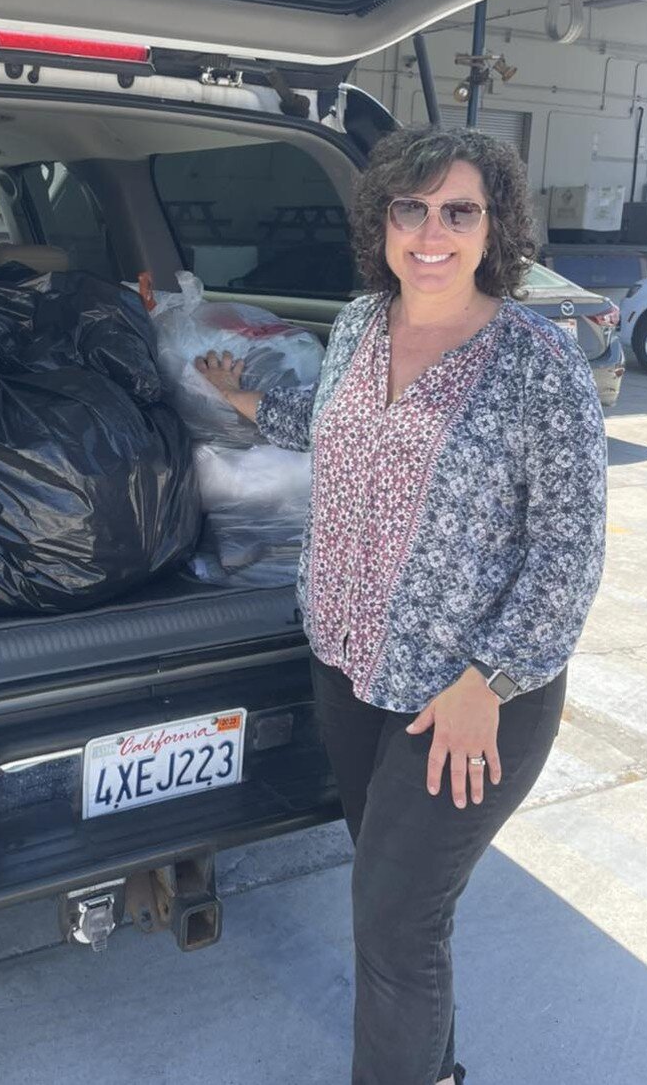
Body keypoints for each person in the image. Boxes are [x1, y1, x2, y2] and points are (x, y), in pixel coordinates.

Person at [195, 126, 607, 1085]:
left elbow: (568, 551)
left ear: (493, 226)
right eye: (410, 208)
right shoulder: (358, 325)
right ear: (382, 218)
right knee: (405, 915)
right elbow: (336, 426)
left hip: (467, 699)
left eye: (458, 211)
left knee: (391, 922)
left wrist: (488, 682)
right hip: (347, 668)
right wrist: (245, 402)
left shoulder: (536, 365)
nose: (431, 232)